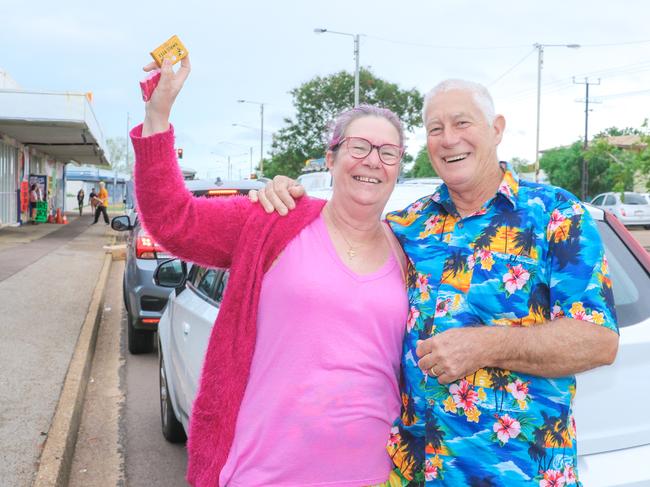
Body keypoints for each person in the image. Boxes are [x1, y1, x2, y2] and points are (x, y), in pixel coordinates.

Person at [253, 79, 619, 486]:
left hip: (523, 475)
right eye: (434, 129)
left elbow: (598, 340)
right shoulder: (408, 227)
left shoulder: (556, 216)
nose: (448, 139)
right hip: (413, 476)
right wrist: (288, 198)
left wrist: (485, 345)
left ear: (496, 129)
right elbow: (339, 241)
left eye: (462, 123)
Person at [132, 55, 411, 487]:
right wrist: (158, 116)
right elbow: (173, 221)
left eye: (388, 152)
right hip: (265, 473)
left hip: (374, 476)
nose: (373, 161)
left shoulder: (409, 251)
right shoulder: (276, 218)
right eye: (358, 147)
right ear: (331, 158)